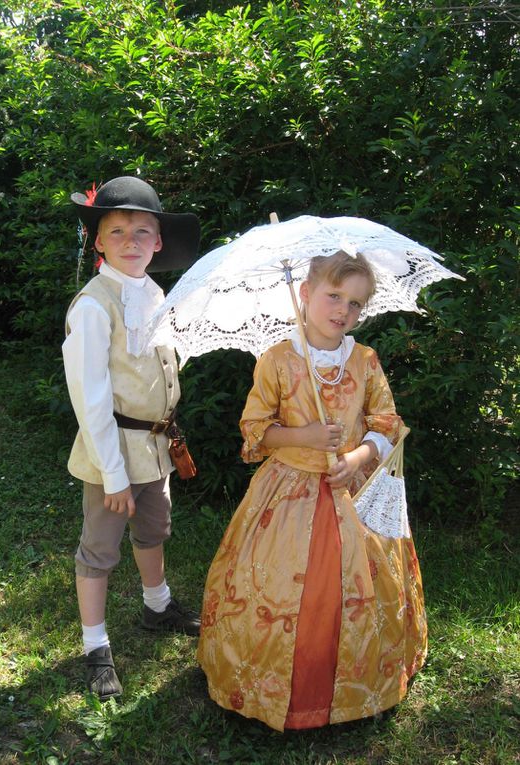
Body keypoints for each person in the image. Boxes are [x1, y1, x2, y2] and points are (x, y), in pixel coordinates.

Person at [197, 250, 427, 731]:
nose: (344, 310)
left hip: (351, 490)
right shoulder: (278, 359)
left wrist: (356, 458)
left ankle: (354, 683)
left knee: (355, 586)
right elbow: (255, 428)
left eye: (356, 303)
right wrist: (301, 436)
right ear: (305, 293)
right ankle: (276, 684)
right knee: (288, 590)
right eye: (334, 296)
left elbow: (388, 422)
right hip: (286, 494)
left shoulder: (364, 360)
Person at [63, 176, 201, 701]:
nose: (131, 239)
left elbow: (159, 363)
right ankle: (95, 645)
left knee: (153, 527)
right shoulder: (93, 306)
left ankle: (156, 604)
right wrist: (114, 475)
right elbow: (91, 399)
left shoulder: (158, 294)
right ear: (98, 241)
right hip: (111, 452)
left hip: (157, 446)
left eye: (142, 230)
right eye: (116, 230)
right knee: (99, 548)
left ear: (159, 241)